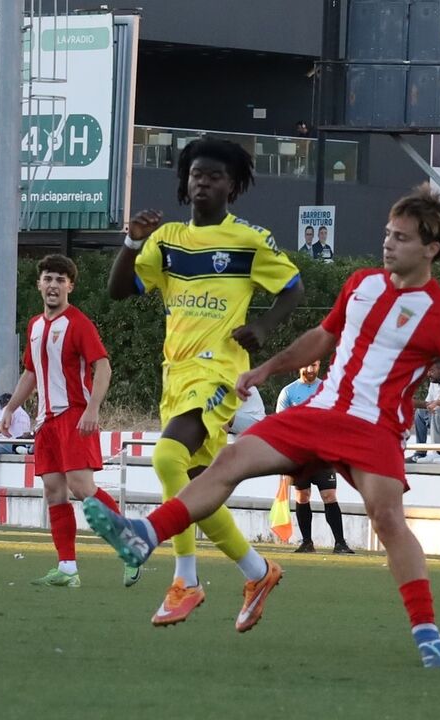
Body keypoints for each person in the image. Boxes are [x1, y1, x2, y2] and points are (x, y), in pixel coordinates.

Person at [84, 184, 440, 667]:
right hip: (318, 413)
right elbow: (322, 337)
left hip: (375, 428)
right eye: (388, 233)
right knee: (230, 459)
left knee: (387, 520)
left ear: (431, 249)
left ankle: (426, 630)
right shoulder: (361, 283)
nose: (388, 243)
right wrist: (268, 369)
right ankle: (144, 535)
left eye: (401, 238)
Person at [107, 136, 304, 629]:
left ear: (232, 186)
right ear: (185, 180)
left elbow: (293, 288)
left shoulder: (249, 239)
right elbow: (118, 291)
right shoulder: (167, 240)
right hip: (175, 373)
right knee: (197, 488)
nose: (203, 183)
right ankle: (257, 571)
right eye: (197, 174)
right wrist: (132, 243)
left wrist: (263, 327)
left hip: (219, 372)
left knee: (165, 458)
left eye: (215, 176)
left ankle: (186, 579)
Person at [0, 254, 130, 588]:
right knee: (54, 491)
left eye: (60, 280)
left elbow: (103, 366)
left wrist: (92, 409)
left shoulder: (78, 323)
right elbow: (31, 372)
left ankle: (130, 545)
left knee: (81, 487)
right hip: (46, 422)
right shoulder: (34, 325)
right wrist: (11, 408)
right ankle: (67, 568)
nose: (53, 285)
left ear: (70, 286)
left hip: (74, 415)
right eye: (48, 278)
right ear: (39, 284)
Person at [276, 359, 354, 554]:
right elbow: (281, 424)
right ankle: (307, 543)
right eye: (307, 365)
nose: (310, 369)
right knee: (302, 496)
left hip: (323, 454)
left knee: (329, 494)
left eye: (315, 365)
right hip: (299, 455)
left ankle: (340, 543)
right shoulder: (288, 392)